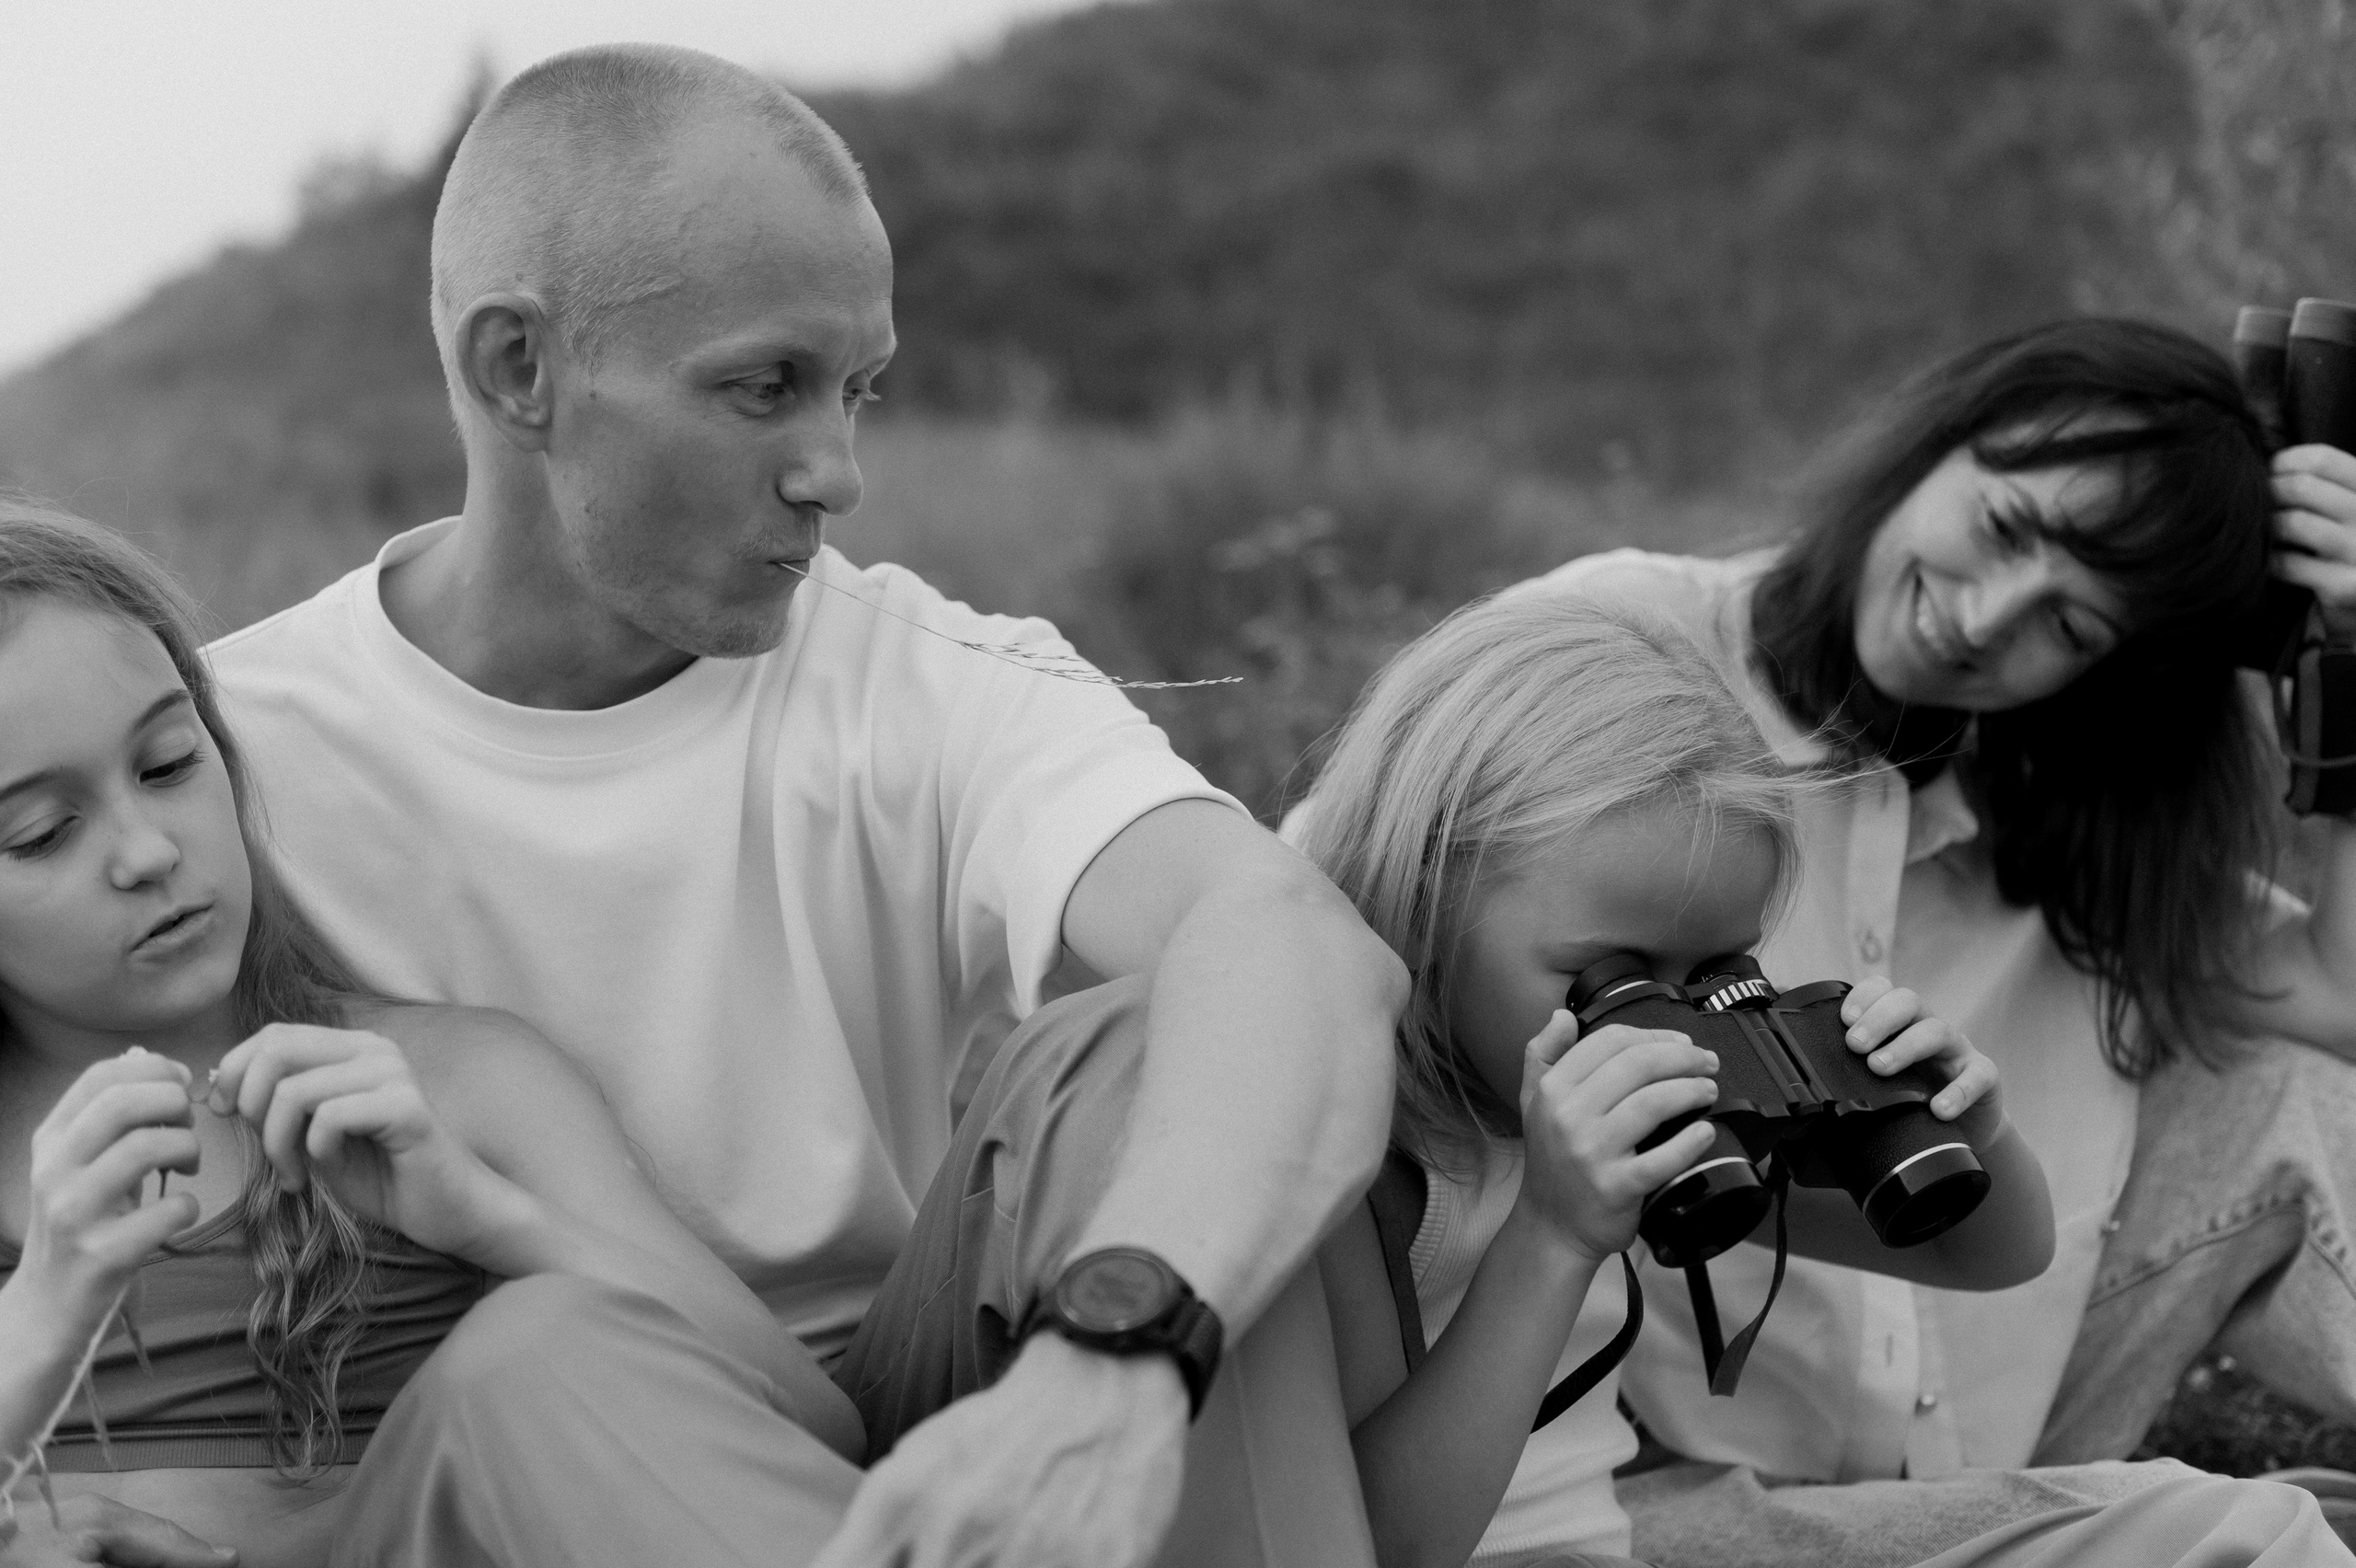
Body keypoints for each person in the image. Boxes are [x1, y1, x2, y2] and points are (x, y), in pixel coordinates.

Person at [205, 42, 1405, 1568]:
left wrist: (1119, 1351)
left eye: (859, 391)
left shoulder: (924, 668)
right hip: (520, 1453)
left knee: (1163, 1031)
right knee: (539, 1360)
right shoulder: (222, 754)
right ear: (519, 369)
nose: (837, 472)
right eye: (765, 388)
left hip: (922, 1401)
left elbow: (1291, 935)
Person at [1502, 317, 2356, 1565]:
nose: (1988, 619)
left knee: (2285, 1088)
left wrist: (2351, 662)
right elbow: (1346, 911)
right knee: (2258, 1535)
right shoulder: (1624, 645)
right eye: (2009, 530)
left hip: (1977, 1421)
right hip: (1649, 1467)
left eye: (2072, 627)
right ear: (1943, 436)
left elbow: (2339, 996)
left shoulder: (2060, 795)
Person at [1293, 587, 2347, 1567]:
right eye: (1605, 979)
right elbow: (1378, 1543)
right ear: (1426, 898)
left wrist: (1960, 1126)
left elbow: (1995, 1256)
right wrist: (1553, 1235)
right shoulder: (1337, 1145)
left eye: (1711, 975)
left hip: (1640, 1541)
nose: (1657, 1026)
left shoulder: (1647, 1109)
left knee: (2252, 1534)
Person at [0, 498, 863, 1568]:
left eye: (170, 764)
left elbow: (815, 1430)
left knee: (537, 1347)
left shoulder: (445, 1087)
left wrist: (492, 1219)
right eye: (37, 833)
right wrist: (40, 1322)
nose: (146, 852)